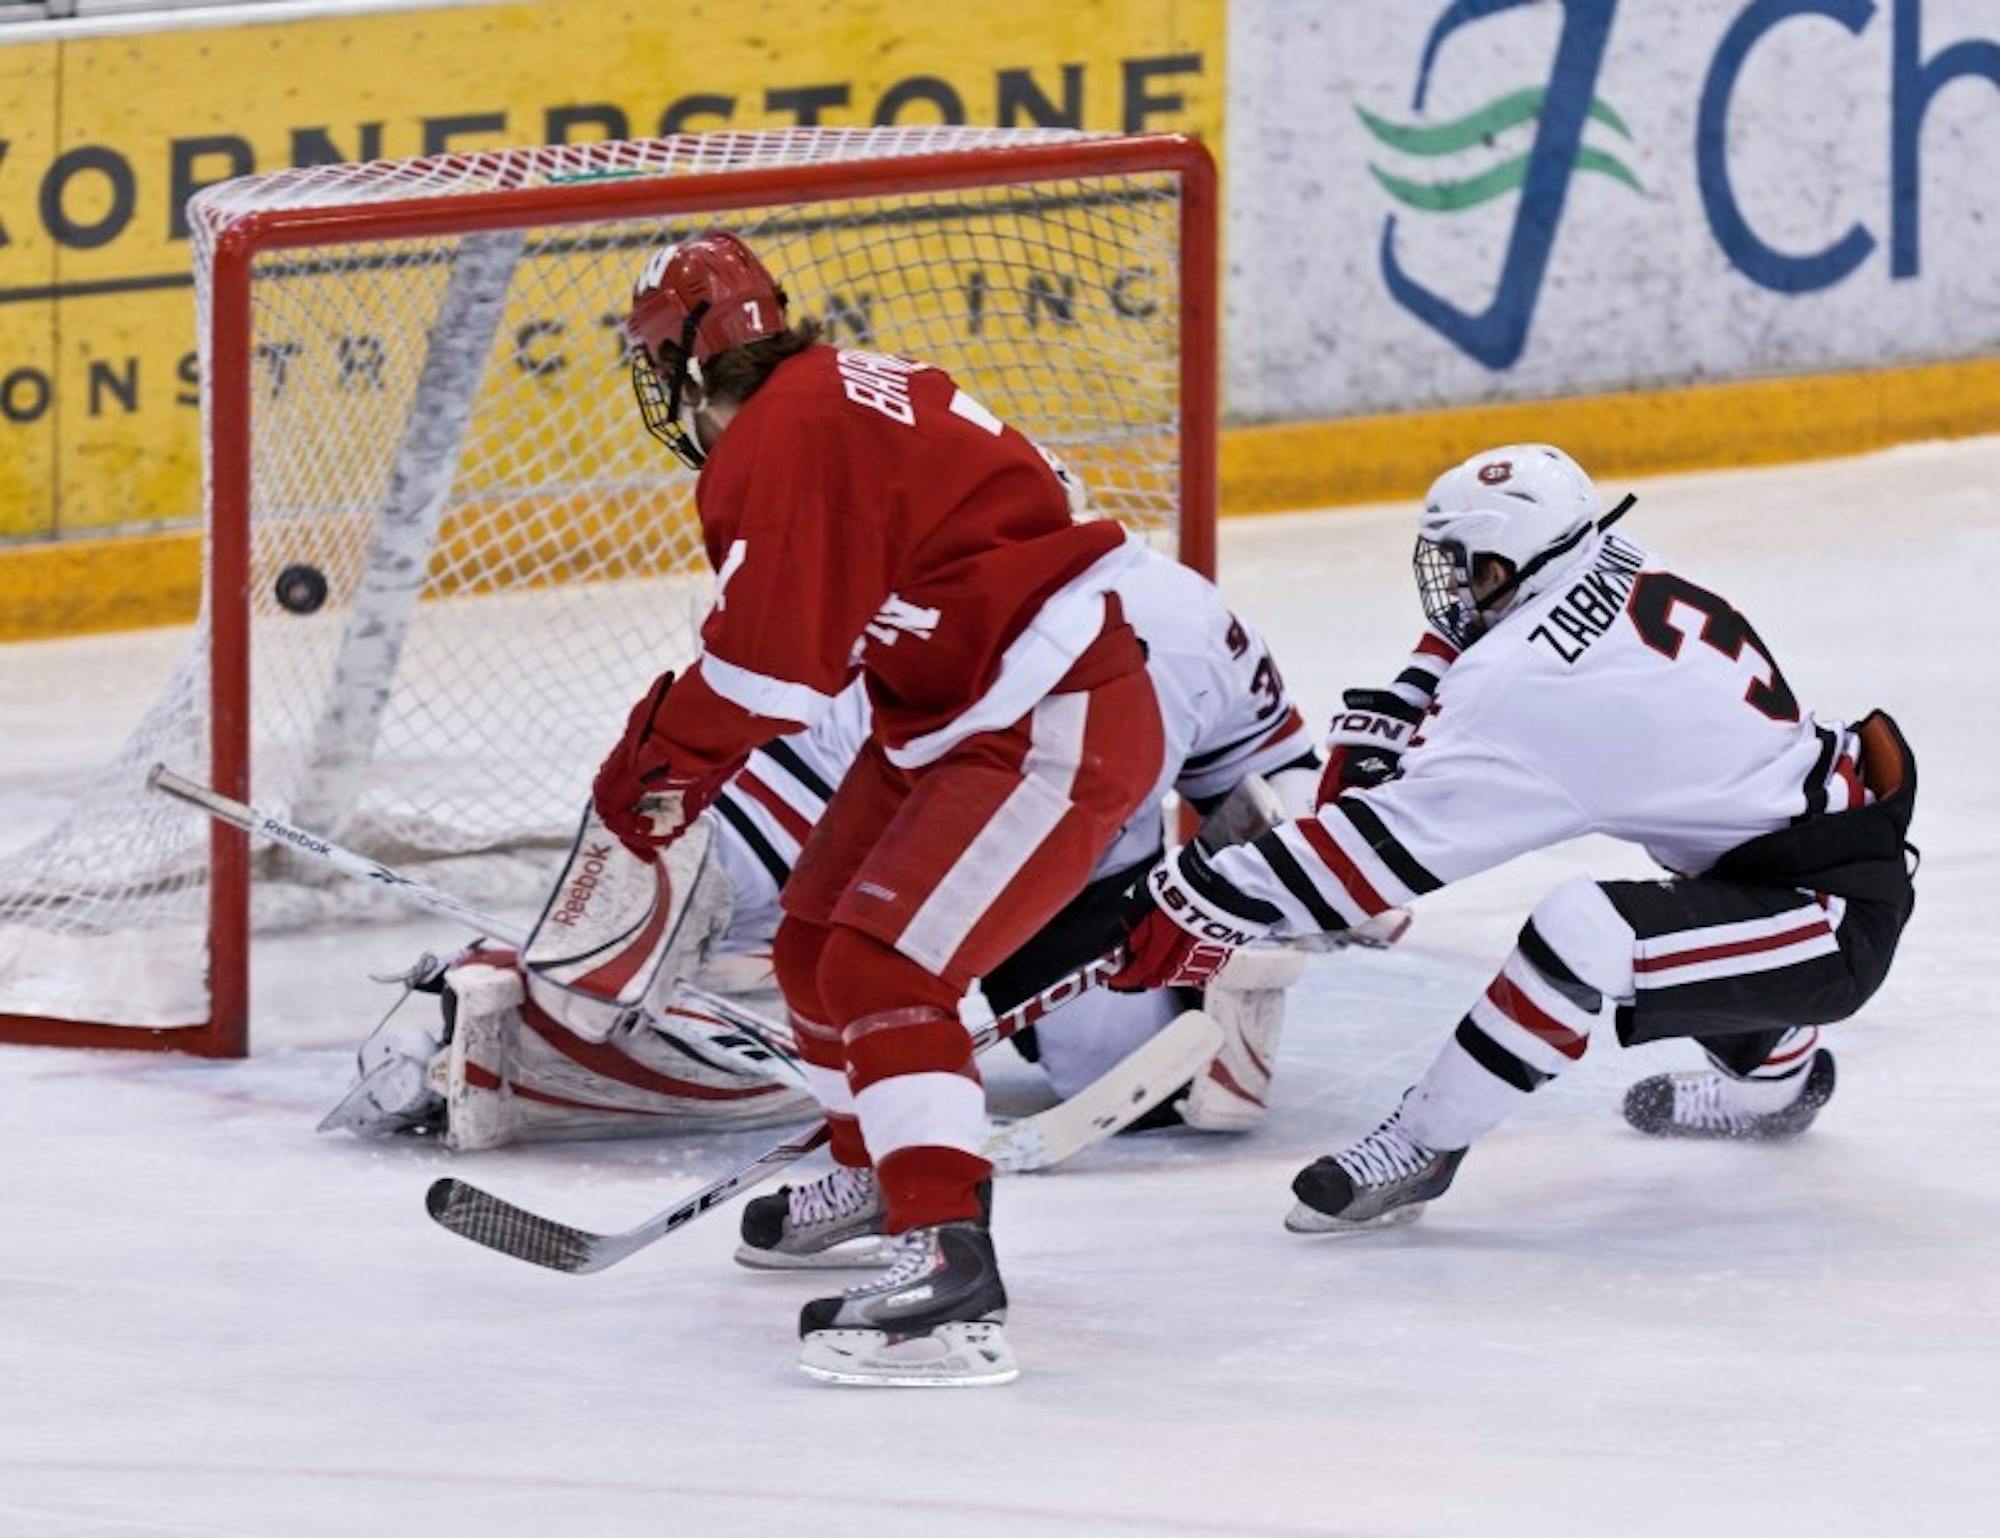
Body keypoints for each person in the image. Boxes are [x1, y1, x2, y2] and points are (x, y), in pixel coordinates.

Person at [599, 228, 1171, 1387]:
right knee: (812, 941)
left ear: (683, 365)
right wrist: (678, 751)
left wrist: (665, 759)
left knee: (883, 968)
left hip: (1047, 713)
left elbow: (771, 672)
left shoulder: (778, 436)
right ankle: (874, 1167)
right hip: (962, 704)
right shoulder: (843, 388)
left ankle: (948, 1267)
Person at [1111, 443, 1918, 1233]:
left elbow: (1375, 856)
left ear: (1509, 564)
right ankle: (1782, 1087)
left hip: (1827, 916)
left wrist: (1203, 902)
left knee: (1587, 932)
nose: (1453, 583)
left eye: (1468, 564)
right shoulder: (1610, 553)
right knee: (1686, 936)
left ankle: (1418, 1146)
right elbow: (1454, 669)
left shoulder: (1537, 685)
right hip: (1783, 859)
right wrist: (1409, 702)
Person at [323, 544, 1359, 1159]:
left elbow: (1269, 787)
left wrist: (1275, 884)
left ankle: (1209, 998)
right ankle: (533, 1000)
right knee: (704, 915)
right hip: (895, 828)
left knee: (1137, 1084)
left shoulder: (1180, 621)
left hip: (1061, 880)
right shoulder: (906, 613)